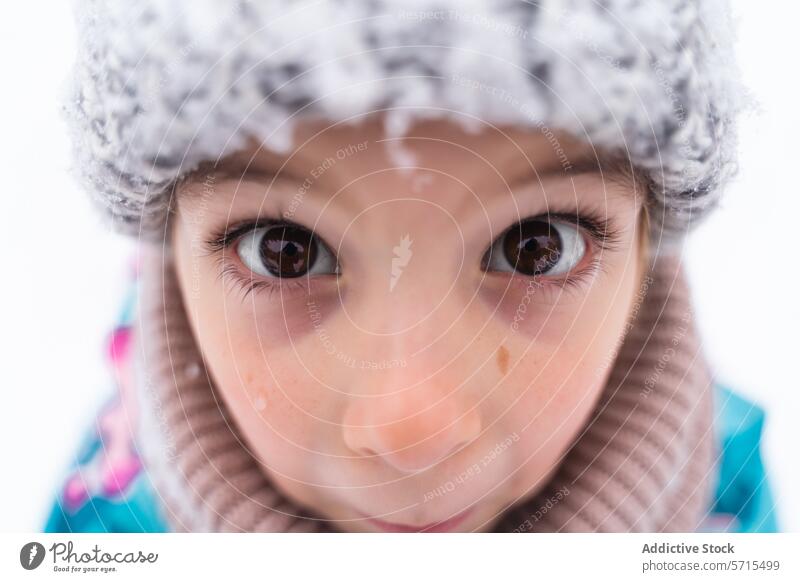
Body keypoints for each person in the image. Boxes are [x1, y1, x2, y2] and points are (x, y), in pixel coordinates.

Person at [46, 0, 777, 532]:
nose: (413, 431)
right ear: (169, 241)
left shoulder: (728, 507)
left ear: (648, 234)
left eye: (537, 245)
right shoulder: (108, 521)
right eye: (284, 250)